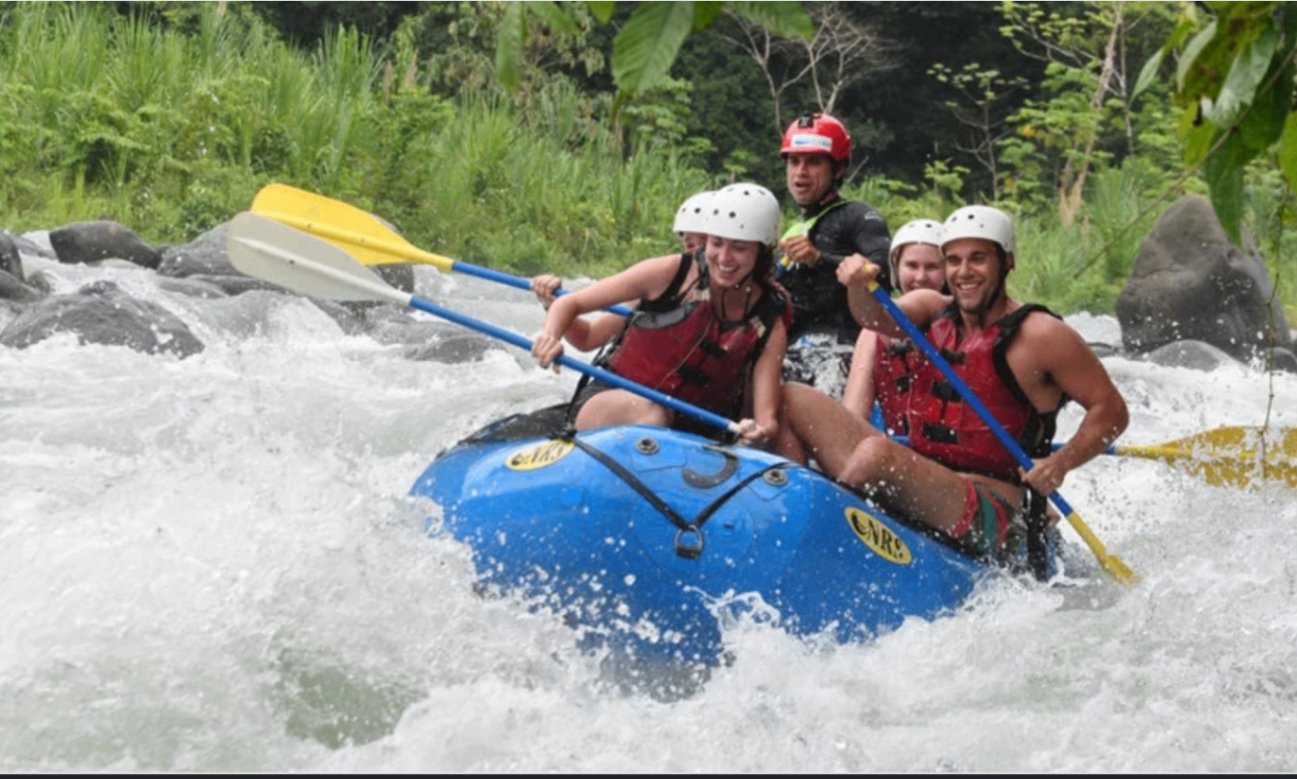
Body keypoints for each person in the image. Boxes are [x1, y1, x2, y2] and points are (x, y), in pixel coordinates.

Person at [772, 205, 1129, 563]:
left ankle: (823, 540)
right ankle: (789, 514)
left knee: (874, 454)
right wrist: (857, 286)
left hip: (991, 504)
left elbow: (1111, 410)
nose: (964, 272)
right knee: (792, 397)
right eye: (954, 260)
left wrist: (1060, 464)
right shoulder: (931, 308)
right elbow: (873, 317)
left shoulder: (1041, 334)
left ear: (1006, 261)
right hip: (923, 474)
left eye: (978, 258)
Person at [532, 183, 790, 447]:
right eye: (716, 243)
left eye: (739, 247)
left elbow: (766, 418)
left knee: (662, 420)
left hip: (692, 438)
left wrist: (756, 430)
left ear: (762, 250)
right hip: (614, 405)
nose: (724, 258)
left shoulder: (768, 320)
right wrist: (550, 336)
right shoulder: (670, 273)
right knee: (653, 414)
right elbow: (570, 305)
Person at [776, 111, 892, 397]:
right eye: (794, 161)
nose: (800, 171)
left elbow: (885, 269)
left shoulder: (857, 215)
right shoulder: (792, 230)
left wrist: (820, 259)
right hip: (788, 350)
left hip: (842, 349)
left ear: (838, 170)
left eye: (813, 162)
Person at [530, 190, 714, 353]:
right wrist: (551, 305)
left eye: (706, 243)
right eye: (690, 245)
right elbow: (588, 338)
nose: (700, 253)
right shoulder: (662, 279)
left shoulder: (740, 293)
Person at [841, 218, 946, 426]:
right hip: (898, 450)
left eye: (933, 267)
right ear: (896, 270)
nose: (921, 277)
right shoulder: (873, 331)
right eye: (911, 265)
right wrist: (857, 287)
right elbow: (852, 418)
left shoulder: (961, 320)